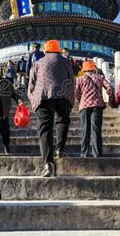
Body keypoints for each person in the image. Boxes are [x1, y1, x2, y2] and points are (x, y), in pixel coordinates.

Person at [28, 40, 75, 177]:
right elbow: (72, 80)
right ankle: (60, 149)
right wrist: (70, 98)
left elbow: (31, 83)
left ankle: (48, 163)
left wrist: (32, 97)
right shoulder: (66, 61)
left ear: (45, 51)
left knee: (45, 128)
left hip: (42, 96)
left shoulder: (37, 63)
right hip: (63, 94)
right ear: (59, 50)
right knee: (63, 120)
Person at [75, 60, 113, 157]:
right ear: (93, 68)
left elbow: (76, 93)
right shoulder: (100, 77)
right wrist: (110, 96)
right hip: (97, 105)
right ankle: (97, 154)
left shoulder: (80, 79)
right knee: (96, 130)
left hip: (84, 106)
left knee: (85, 130)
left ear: (84, 69)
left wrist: (81, 100)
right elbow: (110, 88)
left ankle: (84, 153)